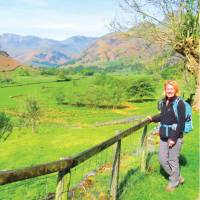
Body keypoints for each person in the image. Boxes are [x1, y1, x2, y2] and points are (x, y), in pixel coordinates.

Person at [148, 80, 185, 192]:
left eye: (171, 88)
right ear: (165, 90)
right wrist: (152, 118)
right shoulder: (165, 102)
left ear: (175, 90)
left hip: (174, 136)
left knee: (173, 160)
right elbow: (162, 116)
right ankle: (177, 177)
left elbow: (181, 123)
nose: (169, 90)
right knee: (162, 159)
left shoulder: (179, 103)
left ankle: (173, 183)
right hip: (164, 136)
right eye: (167, 88)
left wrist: (173, 139)